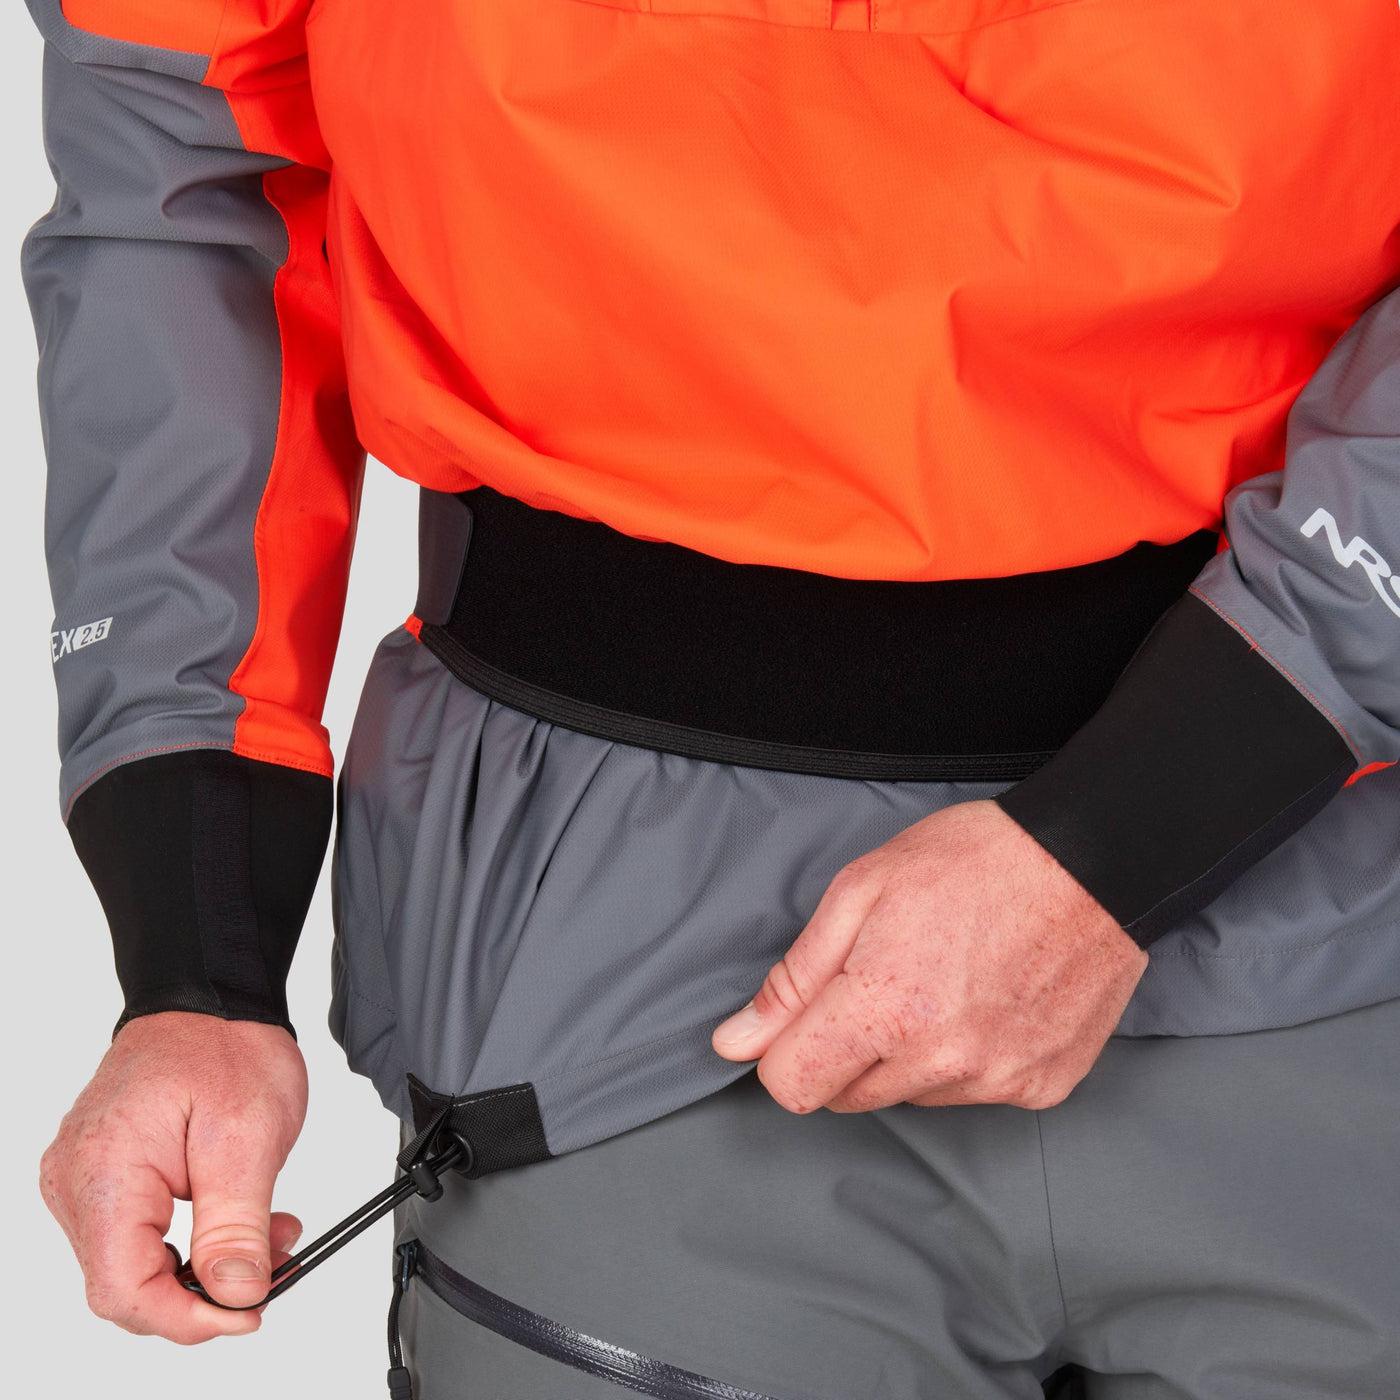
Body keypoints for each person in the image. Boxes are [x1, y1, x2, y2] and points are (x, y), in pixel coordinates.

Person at [21, 1, 1400, 1396]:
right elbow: (186, 146)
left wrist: (1133, 826)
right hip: (611, 988)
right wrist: (193, 948)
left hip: (1322, 909)